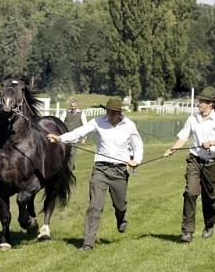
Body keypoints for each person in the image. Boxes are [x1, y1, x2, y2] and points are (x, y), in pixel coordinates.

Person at [47, 97, 144, 251]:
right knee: (95, 206)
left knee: (120, 204)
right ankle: (88, 242)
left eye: (113, 112)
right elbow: (78, 133)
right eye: (108, 111)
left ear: (119, 113)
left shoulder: (129, 125)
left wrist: (136, 160)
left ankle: (121, 217)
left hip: (120, 170)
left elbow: (137, 144)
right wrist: (60, 138)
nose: (110, 115)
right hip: (100, 169)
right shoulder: (97, 122)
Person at [164, 88, 215, 243]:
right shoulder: (192, 119)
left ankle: (209, 225)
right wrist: (172, 149)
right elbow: (183, 138)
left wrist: (212, 142)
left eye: (202, 102)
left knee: (208, 197)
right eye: (199, 101)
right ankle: (187, 231)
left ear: (210, 104)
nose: (199, 104)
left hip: (212, 164)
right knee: (190, 192)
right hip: (194, 160)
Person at [59, 98, 88, 170]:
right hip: (65, 136)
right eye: (72, 106)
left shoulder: (81, 113)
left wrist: (84, 137)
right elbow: (60, 122)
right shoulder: (65, 112)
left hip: (75, 137)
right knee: (64, 153)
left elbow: (85, 126)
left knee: (72, 153)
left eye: (74, 106)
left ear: (77, 106)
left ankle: (69, 169)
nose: (73, 108)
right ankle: (65, 166)